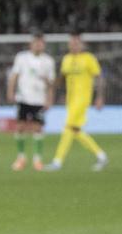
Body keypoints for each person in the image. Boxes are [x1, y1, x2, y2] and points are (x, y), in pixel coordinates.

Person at [46, 31, 108, 171]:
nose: (73, 45)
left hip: (82, 99)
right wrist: (52, 85)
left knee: (68, 127)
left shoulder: (88, 58)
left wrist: (99, 97)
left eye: (76, 43)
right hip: (70, 99)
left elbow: (99, 77)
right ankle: (101, 155)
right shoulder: (66, 59)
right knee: (75, 130)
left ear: (81, 44)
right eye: (71, 43)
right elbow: (62, 78)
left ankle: (58, 161)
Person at [6, 32, 55, 171]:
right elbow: (14, 76)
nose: (38, 45)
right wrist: (10, 91)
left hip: (39, 100)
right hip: (23, 98)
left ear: (43, 44)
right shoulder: (22, 58)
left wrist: (50, 99)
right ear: (31, 44)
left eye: (41, 43)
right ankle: (21, 157)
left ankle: (37, 159)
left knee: (37, 128)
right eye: (36, 42)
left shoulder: (48, 61)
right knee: (20, 127)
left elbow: (51, 83)